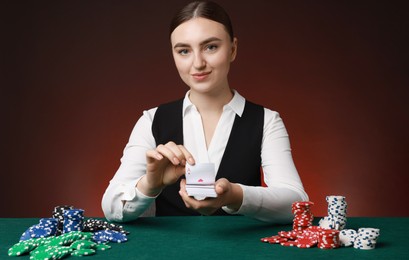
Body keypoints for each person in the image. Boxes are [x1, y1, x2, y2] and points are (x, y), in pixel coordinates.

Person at [102, 0, 308, 223]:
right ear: (173, 55)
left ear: (233, 49)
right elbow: (111, 208)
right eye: (184, 51)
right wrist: (150, 184)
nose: (198, 63)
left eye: (210, 47)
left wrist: (235, 196)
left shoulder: (267, 121)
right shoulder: (152, 120)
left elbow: (296, 204)